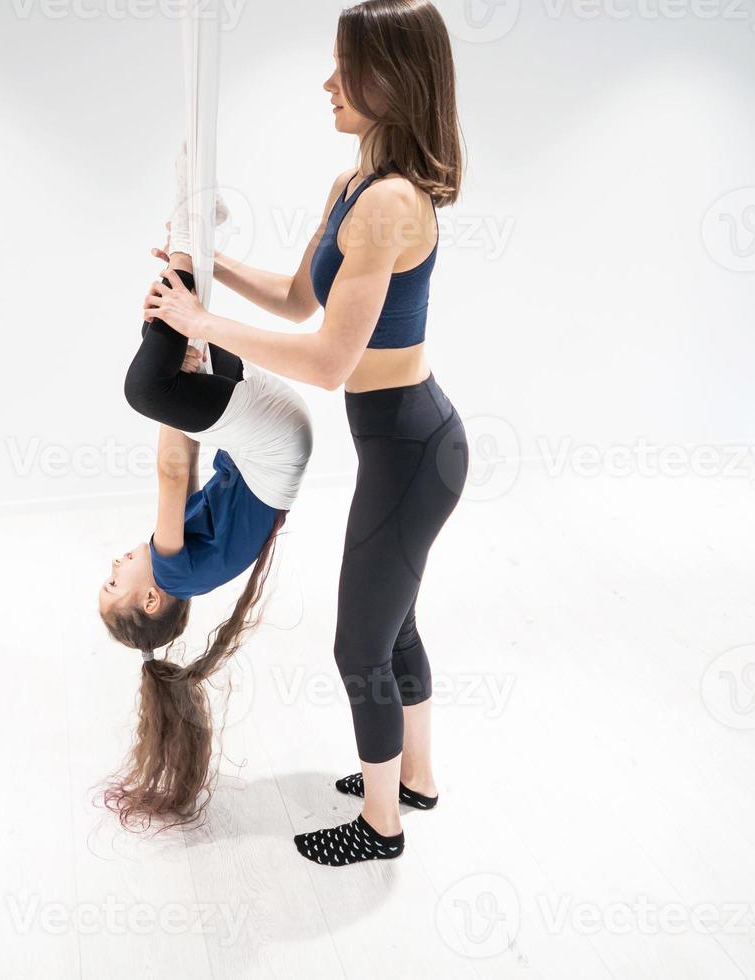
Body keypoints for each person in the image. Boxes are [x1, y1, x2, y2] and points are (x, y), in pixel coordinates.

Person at [143, 0, 469, 865]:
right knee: (393, 626)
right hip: (403, 446)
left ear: (391, 80)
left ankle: (381, 822)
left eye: (344, 68)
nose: (328, 82)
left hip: (415, 451)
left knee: (358, 641)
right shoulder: (354, 185)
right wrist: (199, 273)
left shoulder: (392, 204)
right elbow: (298, 300)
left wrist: (201, 325)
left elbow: (327, 361)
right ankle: (417, 777)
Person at [100, 146, 313, 830]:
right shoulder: (171, 567)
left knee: (170, 338)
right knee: (146, 386)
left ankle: (195, 229)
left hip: (276, 442)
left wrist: (181, 358)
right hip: (271, 442)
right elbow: (172, 469)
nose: (113, 567)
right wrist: (171, 392)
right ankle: (191, 235)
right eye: (114, 584)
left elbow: (187, 457)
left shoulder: (187, 578)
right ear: (151, 597)